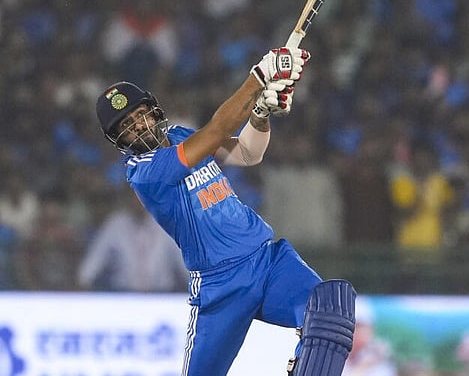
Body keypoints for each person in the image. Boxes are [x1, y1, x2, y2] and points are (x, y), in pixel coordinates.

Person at [95, 46, 356, 376]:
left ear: (154, 110)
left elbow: (247, 153)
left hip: (267, 261)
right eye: (128, 125)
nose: (140, 126)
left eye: (140, 114)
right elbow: (217, 131)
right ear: (118, 139)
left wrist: (259, 115)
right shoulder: (143, 171)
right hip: (220, 286)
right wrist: (258, 79)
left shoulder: (179, 135)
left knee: (331, 308)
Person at [77, 185, 188, 292]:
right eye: (133, 196)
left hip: (161, 295)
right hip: (124, 296)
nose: (137, 201)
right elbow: (94, 261)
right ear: (126, 199)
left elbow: (185, 263)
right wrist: (83, 282)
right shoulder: (115, 224)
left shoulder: (166, 222)